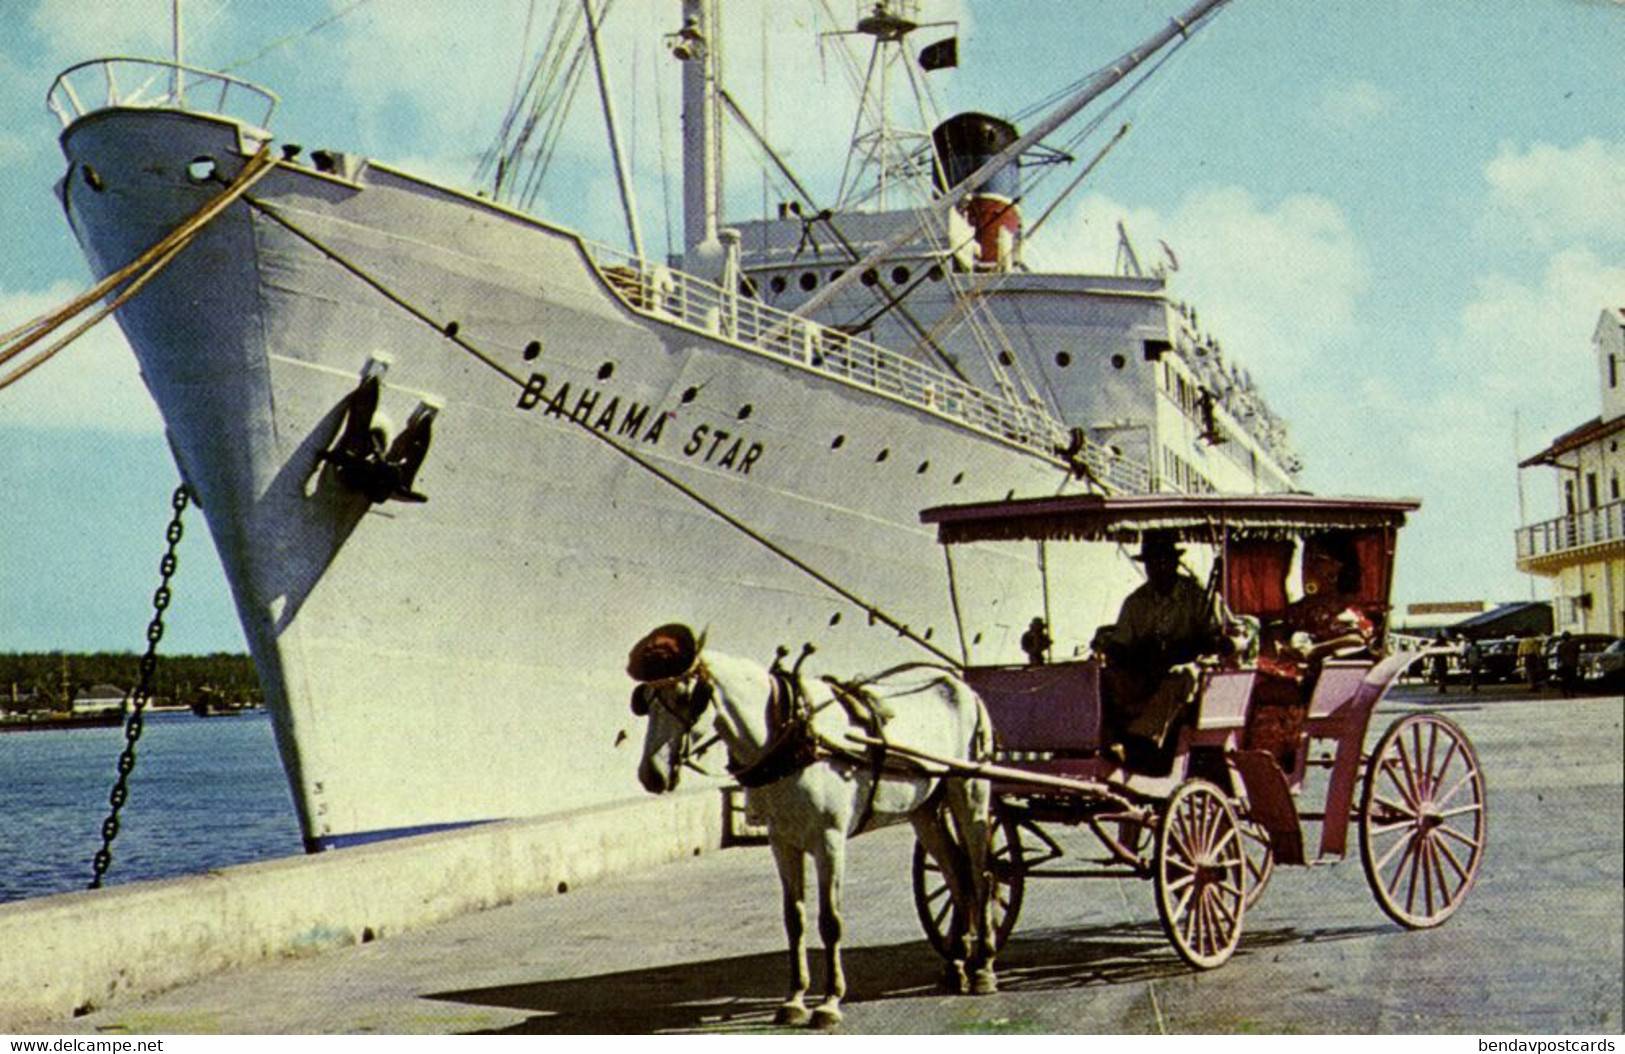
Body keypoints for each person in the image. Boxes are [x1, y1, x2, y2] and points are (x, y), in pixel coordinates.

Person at [1094, 531, 1230, 765]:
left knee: (1180, 676)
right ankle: (1103, 739)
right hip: (1144, 670)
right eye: (1152, 563)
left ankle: (1139, 740)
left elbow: (1214, 640)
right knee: (1106, 678)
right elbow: (1120, 644)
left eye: (1163, 561)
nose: (1157, 568)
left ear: (1175, 562)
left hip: (1188, 669)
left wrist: (1185, 649)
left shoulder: (1196, 597)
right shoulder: (1136, 602)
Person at [1555, 631, 1580, 697]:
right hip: (1572, 664)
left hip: (1564, 664)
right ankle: (1572, 693)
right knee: (1572, 679)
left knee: (1565, 679)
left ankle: (1565, 693)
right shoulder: (1574, 645)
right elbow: (1577, 654)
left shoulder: (1560, 646)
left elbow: (1558, 655)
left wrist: (1558, 663)